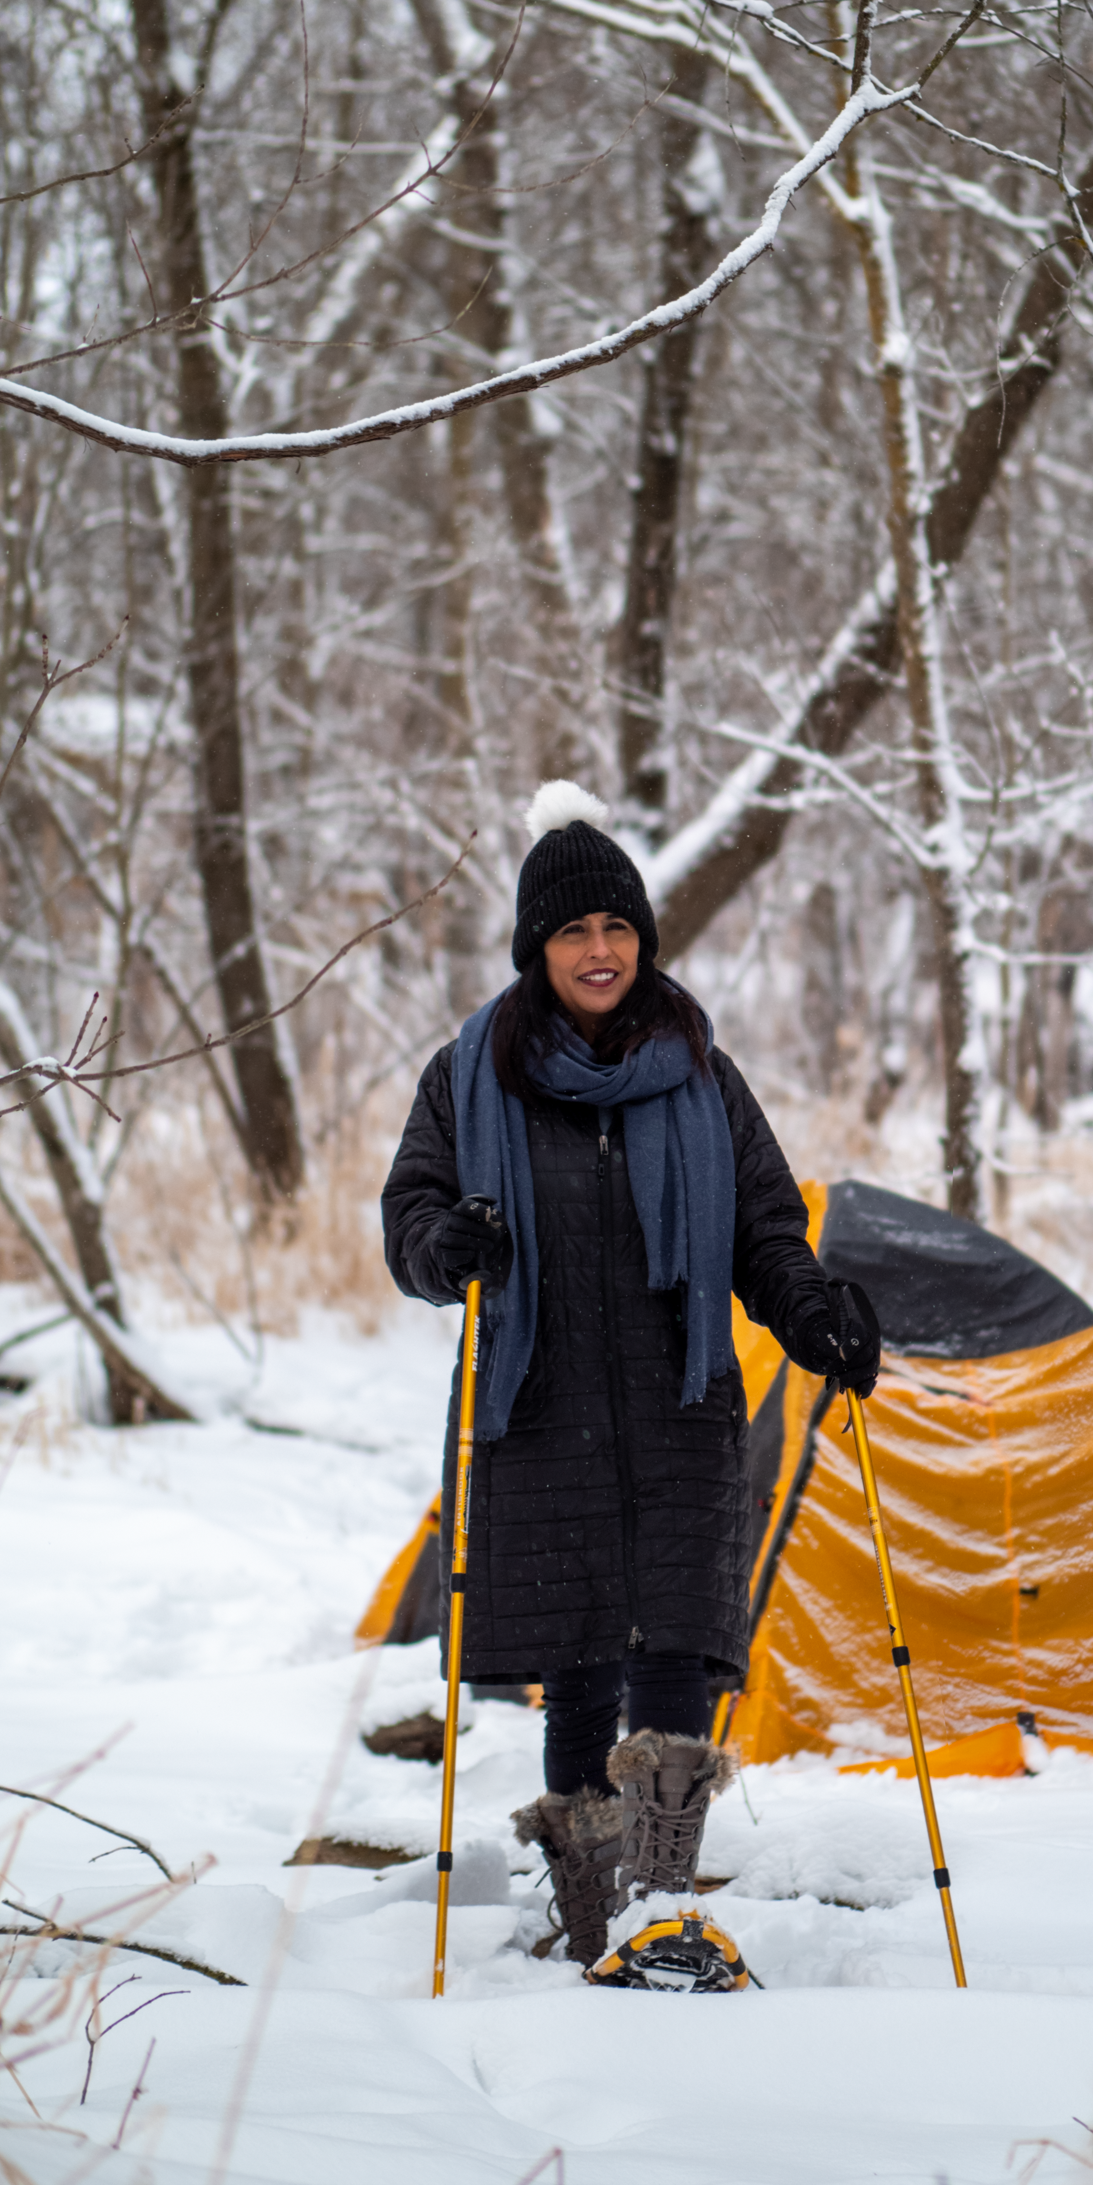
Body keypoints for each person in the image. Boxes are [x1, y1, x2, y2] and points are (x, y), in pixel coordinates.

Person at [381, 782, 880, 1972]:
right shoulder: (470, 1076)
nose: (599, 952)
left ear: (642, 942)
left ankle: (661, 1902)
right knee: (579, 1655)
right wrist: (450, 1248)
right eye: (573, 934)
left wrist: (809, 1312)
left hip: (679, 1399)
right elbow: (409, 1217)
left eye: (616, 931)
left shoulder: (700, 1071)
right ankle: (588, 1902)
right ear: (536, 949)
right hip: (540, 1405)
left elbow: (766, 1224)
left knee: (672, 1642)